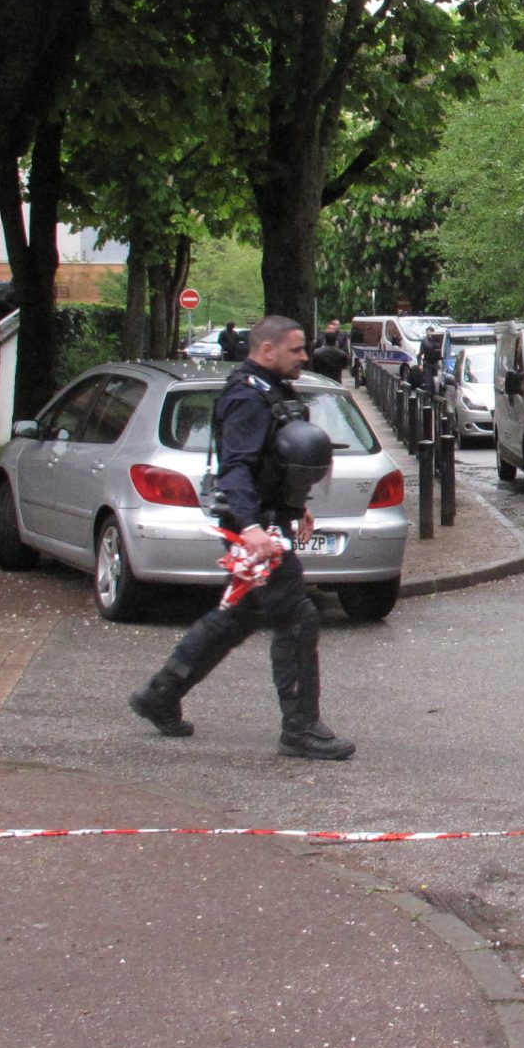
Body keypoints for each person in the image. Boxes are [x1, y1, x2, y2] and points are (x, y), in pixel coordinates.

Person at [127, 316, 356, 759]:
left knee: (240, 614)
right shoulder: (247, 398)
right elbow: (236, 468)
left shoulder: (272, 390)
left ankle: (160, 694)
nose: (305, 356)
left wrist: (297, 506)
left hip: (265, 521)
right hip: (253, 527)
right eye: (296, 349)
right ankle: (300, 729)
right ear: (267, 349)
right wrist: (250, 529)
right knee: (297, 617)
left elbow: (275, 462)